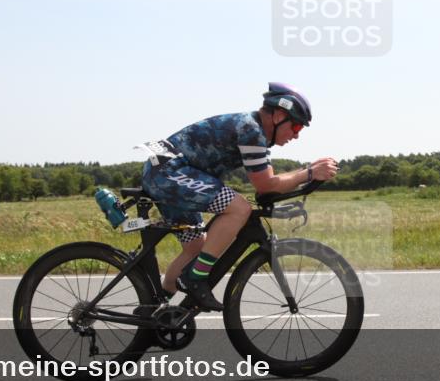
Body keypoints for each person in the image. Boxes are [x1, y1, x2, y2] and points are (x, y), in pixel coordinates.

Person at [139, 83, 338, 311]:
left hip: (166, 171)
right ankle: (195, 279)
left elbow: (267, 185)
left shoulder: (252, 128)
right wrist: (309, 173)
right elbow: (265, 185)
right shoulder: (251, 130)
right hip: (168, 173)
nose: (296, 135)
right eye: (296, 127)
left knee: (196, 248)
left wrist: (306, 171)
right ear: (279, 116)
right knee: (239, 208)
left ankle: (158, 312)